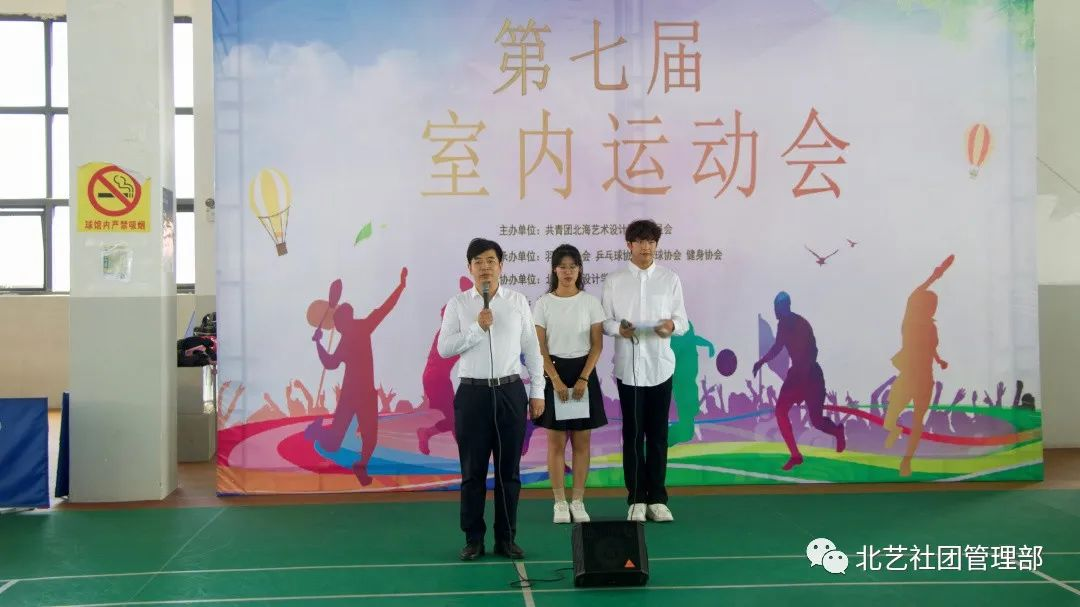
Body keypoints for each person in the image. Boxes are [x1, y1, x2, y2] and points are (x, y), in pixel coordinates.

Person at [437, 238, 545, 561]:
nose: (485, 267)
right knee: (472, 472)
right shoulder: (458, 304)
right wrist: (476, 328)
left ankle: (506, 538)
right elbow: (444, 348)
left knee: (508, 472)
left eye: (491, 261)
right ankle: (473, 539)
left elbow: (532, 349)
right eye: (478, 262)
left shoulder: (517, 301)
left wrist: (537, 391)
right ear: (469, 268)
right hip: (472, 394)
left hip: (510, 391)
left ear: (501, 265)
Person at [601, 219, 687, 523]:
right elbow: (605, 322)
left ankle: (658, 499)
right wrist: (619, 329)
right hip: (629, 368)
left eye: (651, 241)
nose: (646, 247)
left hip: (660, 366)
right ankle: (636, 498)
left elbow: (682, 321)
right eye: (640, 241)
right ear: (629, 245)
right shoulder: (615, 280)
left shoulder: (669, 278)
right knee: (633, 435)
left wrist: (671, 326)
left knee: (659, 435)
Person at [532, 244, 607, 524]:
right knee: (556, 442)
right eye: (562, 266)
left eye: (572, 266)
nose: (567, 272)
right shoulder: (543, 303)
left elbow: (597, 345)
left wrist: (584, 377)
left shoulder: (590, 302)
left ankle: (578, 501)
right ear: (554, 269)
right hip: (554, 372)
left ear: (579, 270)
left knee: (582, 441)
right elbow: (539, 347)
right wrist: (555, 380)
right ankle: (559, 503)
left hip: (583, 373)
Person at [752, 292, 846, 471]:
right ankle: (795, 455)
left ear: (783, 306)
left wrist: (804, 377)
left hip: (811, 376)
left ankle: (837, 431)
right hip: (797, 375)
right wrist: (762, 361)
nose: (775, 311)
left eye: (776, 308)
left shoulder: (801, 324)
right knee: (780, 411)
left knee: (816, 420)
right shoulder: (782, 325)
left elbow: (813, 351)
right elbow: (777, 347)